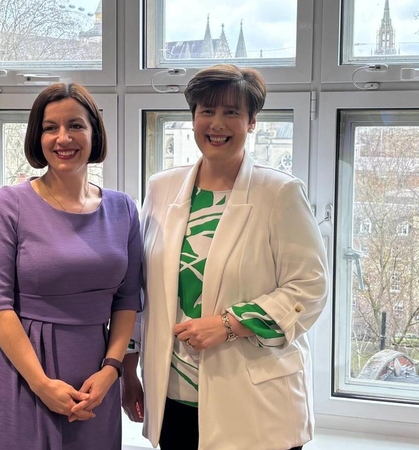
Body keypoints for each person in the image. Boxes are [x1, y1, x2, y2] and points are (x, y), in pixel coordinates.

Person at [119, 64, 328, 449]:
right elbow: (140, 289)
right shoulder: (162, 188)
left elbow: (309, 289)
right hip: (174, 397)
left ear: (251, 122)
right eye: (207, 111)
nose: (217, 123)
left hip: (256, 404)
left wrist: (230, 323)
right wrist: (128, 370)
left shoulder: (279, 192)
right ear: (193, 118)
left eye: (232, 112)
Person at [0, 82, 142, 450]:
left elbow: (128, 300)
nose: (63, 138)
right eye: (51, 127)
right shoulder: (7, 205)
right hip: (24, 376)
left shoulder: (123, 209)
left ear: (94, 133)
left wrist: (111, 370)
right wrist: (41, 384)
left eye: (76, 125)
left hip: (96, 381)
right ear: (38, 137)